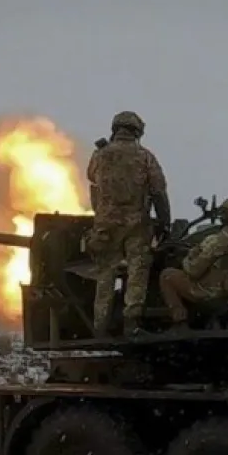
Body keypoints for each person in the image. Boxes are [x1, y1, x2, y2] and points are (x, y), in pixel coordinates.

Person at [86, 110, 171, 336]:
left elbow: (93, 179)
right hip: (136, 225)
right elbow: (159, 191)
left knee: (104, 274)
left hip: (105, 225)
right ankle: (131, 323)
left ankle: (99, 326)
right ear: (137, 132)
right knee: (137, 271)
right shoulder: (145, 156)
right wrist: (165, 223)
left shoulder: (99, 155)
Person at [159, 196, 228, 328]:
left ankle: (180, 323)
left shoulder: (217, 241)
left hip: (211, 296)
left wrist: (189, 257)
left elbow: (193, 271)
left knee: (167, 275)